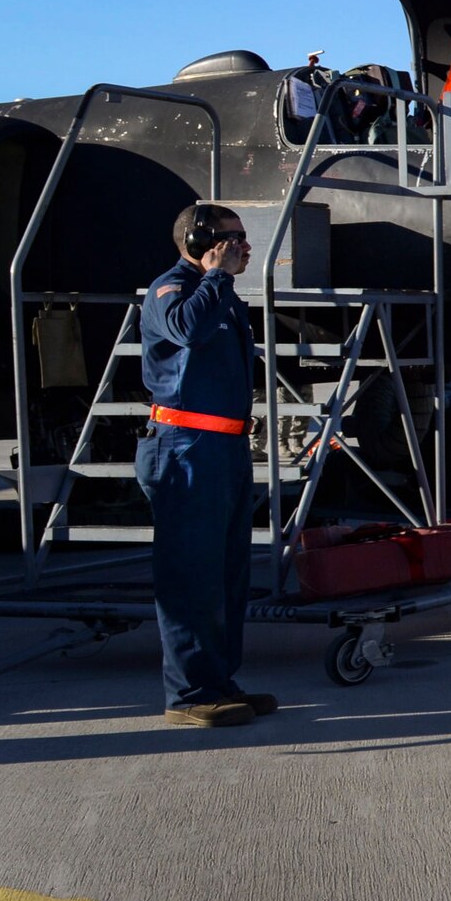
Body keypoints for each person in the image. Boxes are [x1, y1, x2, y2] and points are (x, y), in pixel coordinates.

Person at [135, 203, 275, 728]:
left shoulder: (223, 296)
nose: (244, 247)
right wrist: (216, 276)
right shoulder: (171, 289)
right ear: (200, 241)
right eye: (233, 238)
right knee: (191, 575)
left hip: (224, 451)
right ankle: (189, 693)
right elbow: (185, 330)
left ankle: (219, 681)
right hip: (185, 451)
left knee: (226, 575)